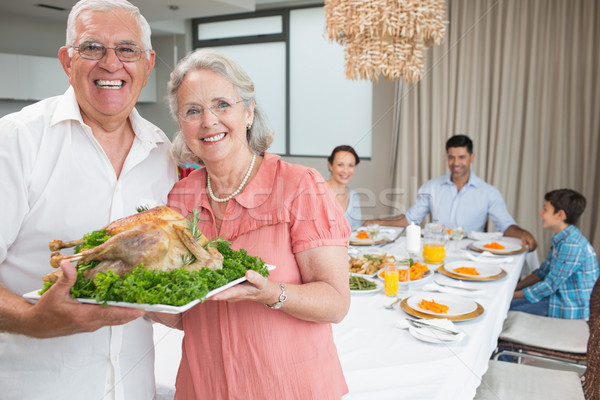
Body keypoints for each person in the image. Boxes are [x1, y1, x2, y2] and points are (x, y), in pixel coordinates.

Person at [0, 0, 178, 398]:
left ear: (148, 64)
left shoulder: (162, 153)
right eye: (92, 47)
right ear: (67, 60)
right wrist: (31, 319)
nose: (111, 63)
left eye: (127, 49)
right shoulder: (15, 141)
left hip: (134, 388)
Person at [154, 48, 350, 399]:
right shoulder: (179, 199)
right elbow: (187, 316)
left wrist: (272, 294)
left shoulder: (299, 185)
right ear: (182, 125)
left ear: (248, 112)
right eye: (193, 111)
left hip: (288, 388)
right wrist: (140, 302)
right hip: (205, 387)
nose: (209, 121)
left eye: (222, 105)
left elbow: (336, 303)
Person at [364, 134, 537, 250]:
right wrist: (375, 222)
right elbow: (410, 219)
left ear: (472, 157)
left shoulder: (488, 193)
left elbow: (505, 226)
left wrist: (522, 233)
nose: (456, 162)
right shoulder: (431, 187)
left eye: (462, 157)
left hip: (470, 255)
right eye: (452, 157)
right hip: (435, 251)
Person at [510, 189, 599, 319]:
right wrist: (513, 288)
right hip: (556, 296)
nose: (541, 213)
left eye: (545, 209)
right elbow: (543, 272)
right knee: (508, 304)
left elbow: (549, 285)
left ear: (560, 215)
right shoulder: (563, 238)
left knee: (507, 309)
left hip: (568, 306)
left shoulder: (571, 245)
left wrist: (510, 295)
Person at [327, 145, 362, 230]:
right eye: (340, 165)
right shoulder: (318, 192)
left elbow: (355, 229)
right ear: (330, 165)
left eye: (351, 165)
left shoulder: (354, 196)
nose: (346, 171)